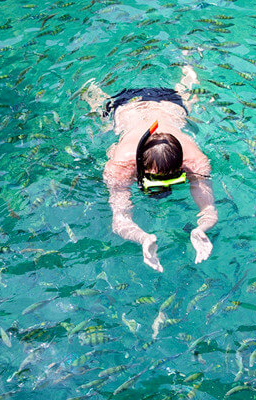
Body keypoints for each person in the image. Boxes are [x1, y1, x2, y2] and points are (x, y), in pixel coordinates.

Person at [81, 65, 217, 272]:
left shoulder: (195, 160)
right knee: (100, 114)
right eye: (156, 179)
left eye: (171, 178)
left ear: (181, 164)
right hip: (124, 105)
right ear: (139, 165)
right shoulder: (121, 164)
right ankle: (93, 90)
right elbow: (119, 219)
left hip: (171, 103)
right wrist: (143, 238)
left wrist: (201, 229)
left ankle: (189, 71)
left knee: (190, 93)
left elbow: (209, 210)